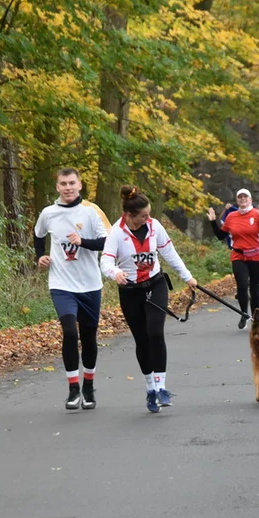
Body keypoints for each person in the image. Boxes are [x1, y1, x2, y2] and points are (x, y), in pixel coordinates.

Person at [101, 185, 198, 412]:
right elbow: (105, 260)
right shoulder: (116, 232)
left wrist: (188, 277)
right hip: (130, 291)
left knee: (155, 332)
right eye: (144, 215)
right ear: (129, 215)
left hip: (155, 284)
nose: (148, 218)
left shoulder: (154, 227)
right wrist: (115, 273)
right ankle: (150, 389)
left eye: (149, 214)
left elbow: (169, 253)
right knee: (142, 339)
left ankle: (162, 387)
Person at [34, 168, 110, 409]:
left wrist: (83, 242)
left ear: (80, 185)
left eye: (72, 183)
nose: (68, 188)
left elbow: (107, 242)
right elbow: (38, 236)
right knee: (69, 332)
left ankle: (88, 386)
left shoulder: (91, 211)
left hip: (89, 284)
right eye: (63, 184)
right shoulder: (48, 213)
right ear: (57, 187)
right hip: (61, 284)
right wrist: (41, 256)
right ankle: (73, 388)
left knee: (88, 336)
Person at [206, 189, 259, 329]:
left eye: (245, 196)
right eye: (239, 197)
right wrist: (212, 221)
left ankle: (256, 319)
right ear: (237, 200)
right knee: (242, 285)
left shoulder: (258, 214)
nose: (242, 199)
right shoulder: (231, 216)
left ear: (250, 200)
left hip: (257, 256)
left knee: (255, 289)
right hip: (239, 255)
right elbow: (221, 236)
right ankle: (244, 314)